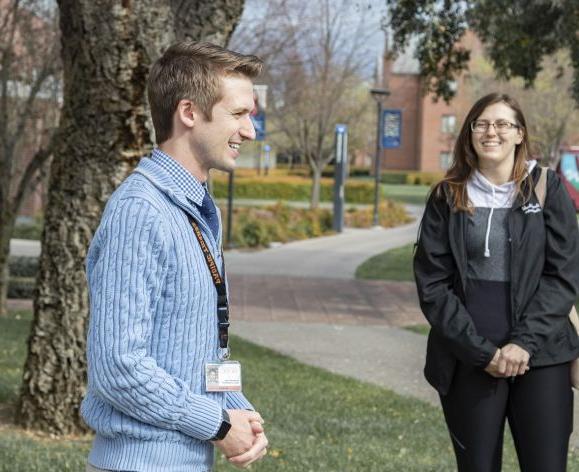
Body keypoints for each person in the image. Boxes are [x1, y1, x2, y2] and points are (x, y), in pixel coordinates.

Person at [81, 41, 268, 472]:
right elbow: (119, 367)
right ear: (189, 112)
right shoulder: (140, 211)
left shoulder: (194, 209)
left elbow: (198, 353)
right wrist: (220, 425)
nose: (250, 131)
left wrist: (241, 412)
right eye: (238, 115)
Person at [413, 92, 579, 472]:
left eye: (503, 123)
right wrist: (480, 353)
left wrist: (523, 343)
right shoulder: (447, 195)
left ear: (520, 134)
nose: (492, 131)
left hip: (542, 357)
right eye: (482, 123)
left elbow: (563, 276)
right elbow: (433, 285)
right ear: (470, 133)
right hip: (469, 360)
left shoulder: (546, 188)